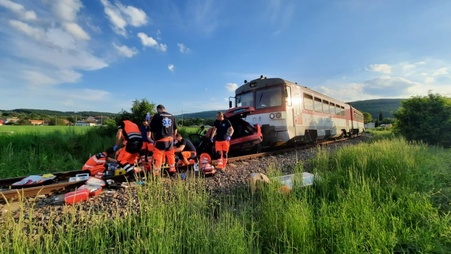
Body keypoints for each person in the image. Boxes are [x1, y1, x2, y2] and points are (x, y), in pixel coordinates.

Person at [149, 104, 178, 174]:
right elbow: (175, 129)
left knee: (158, 155)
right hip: (170, 139)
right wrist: (173, 138)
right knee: (171, 155)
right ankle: (172, 170)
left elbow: (152, 129)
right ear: (164, 108)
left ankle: (156, 173)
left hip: (161, 139)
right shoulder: (172, 116)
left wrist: (154, 139)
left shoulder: (157, 116)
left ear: (158, 109)